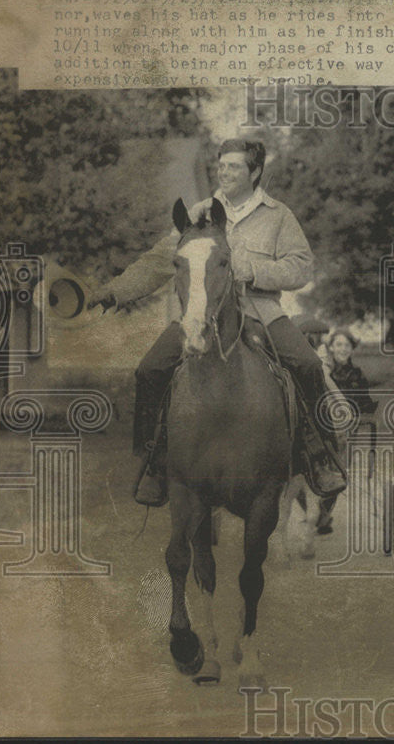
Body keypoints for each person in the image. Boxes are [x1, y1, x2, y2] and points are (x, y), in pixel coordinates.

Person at [88, 138, 345, 505]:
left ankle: (319, 455)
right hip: (202, 313)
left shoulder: (278, 215)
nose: (224, 172)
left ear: (254, 172)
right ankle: (155, 463)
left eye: (234, 166)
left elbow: (301, 267)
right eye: (221, 165)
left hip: (261, 312)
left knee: (306, 363)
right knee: (149, 370)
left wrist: (253, 270)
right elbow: (161, 260)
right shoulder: (199, 214)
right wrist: (114, 291)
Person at [314, 327, 378, 535]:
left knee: (338, 474)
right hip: (321, 430)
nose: (342, 349)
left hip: (346, 432)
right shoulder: (323, 371)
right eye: (338, 345)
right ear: (331, 347)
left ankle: (323, 514)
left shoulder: (357, 375)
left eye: (347, 345)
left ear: (352, 349)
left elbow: (364, 403)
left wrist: (365, 413)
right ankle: (315, 513)